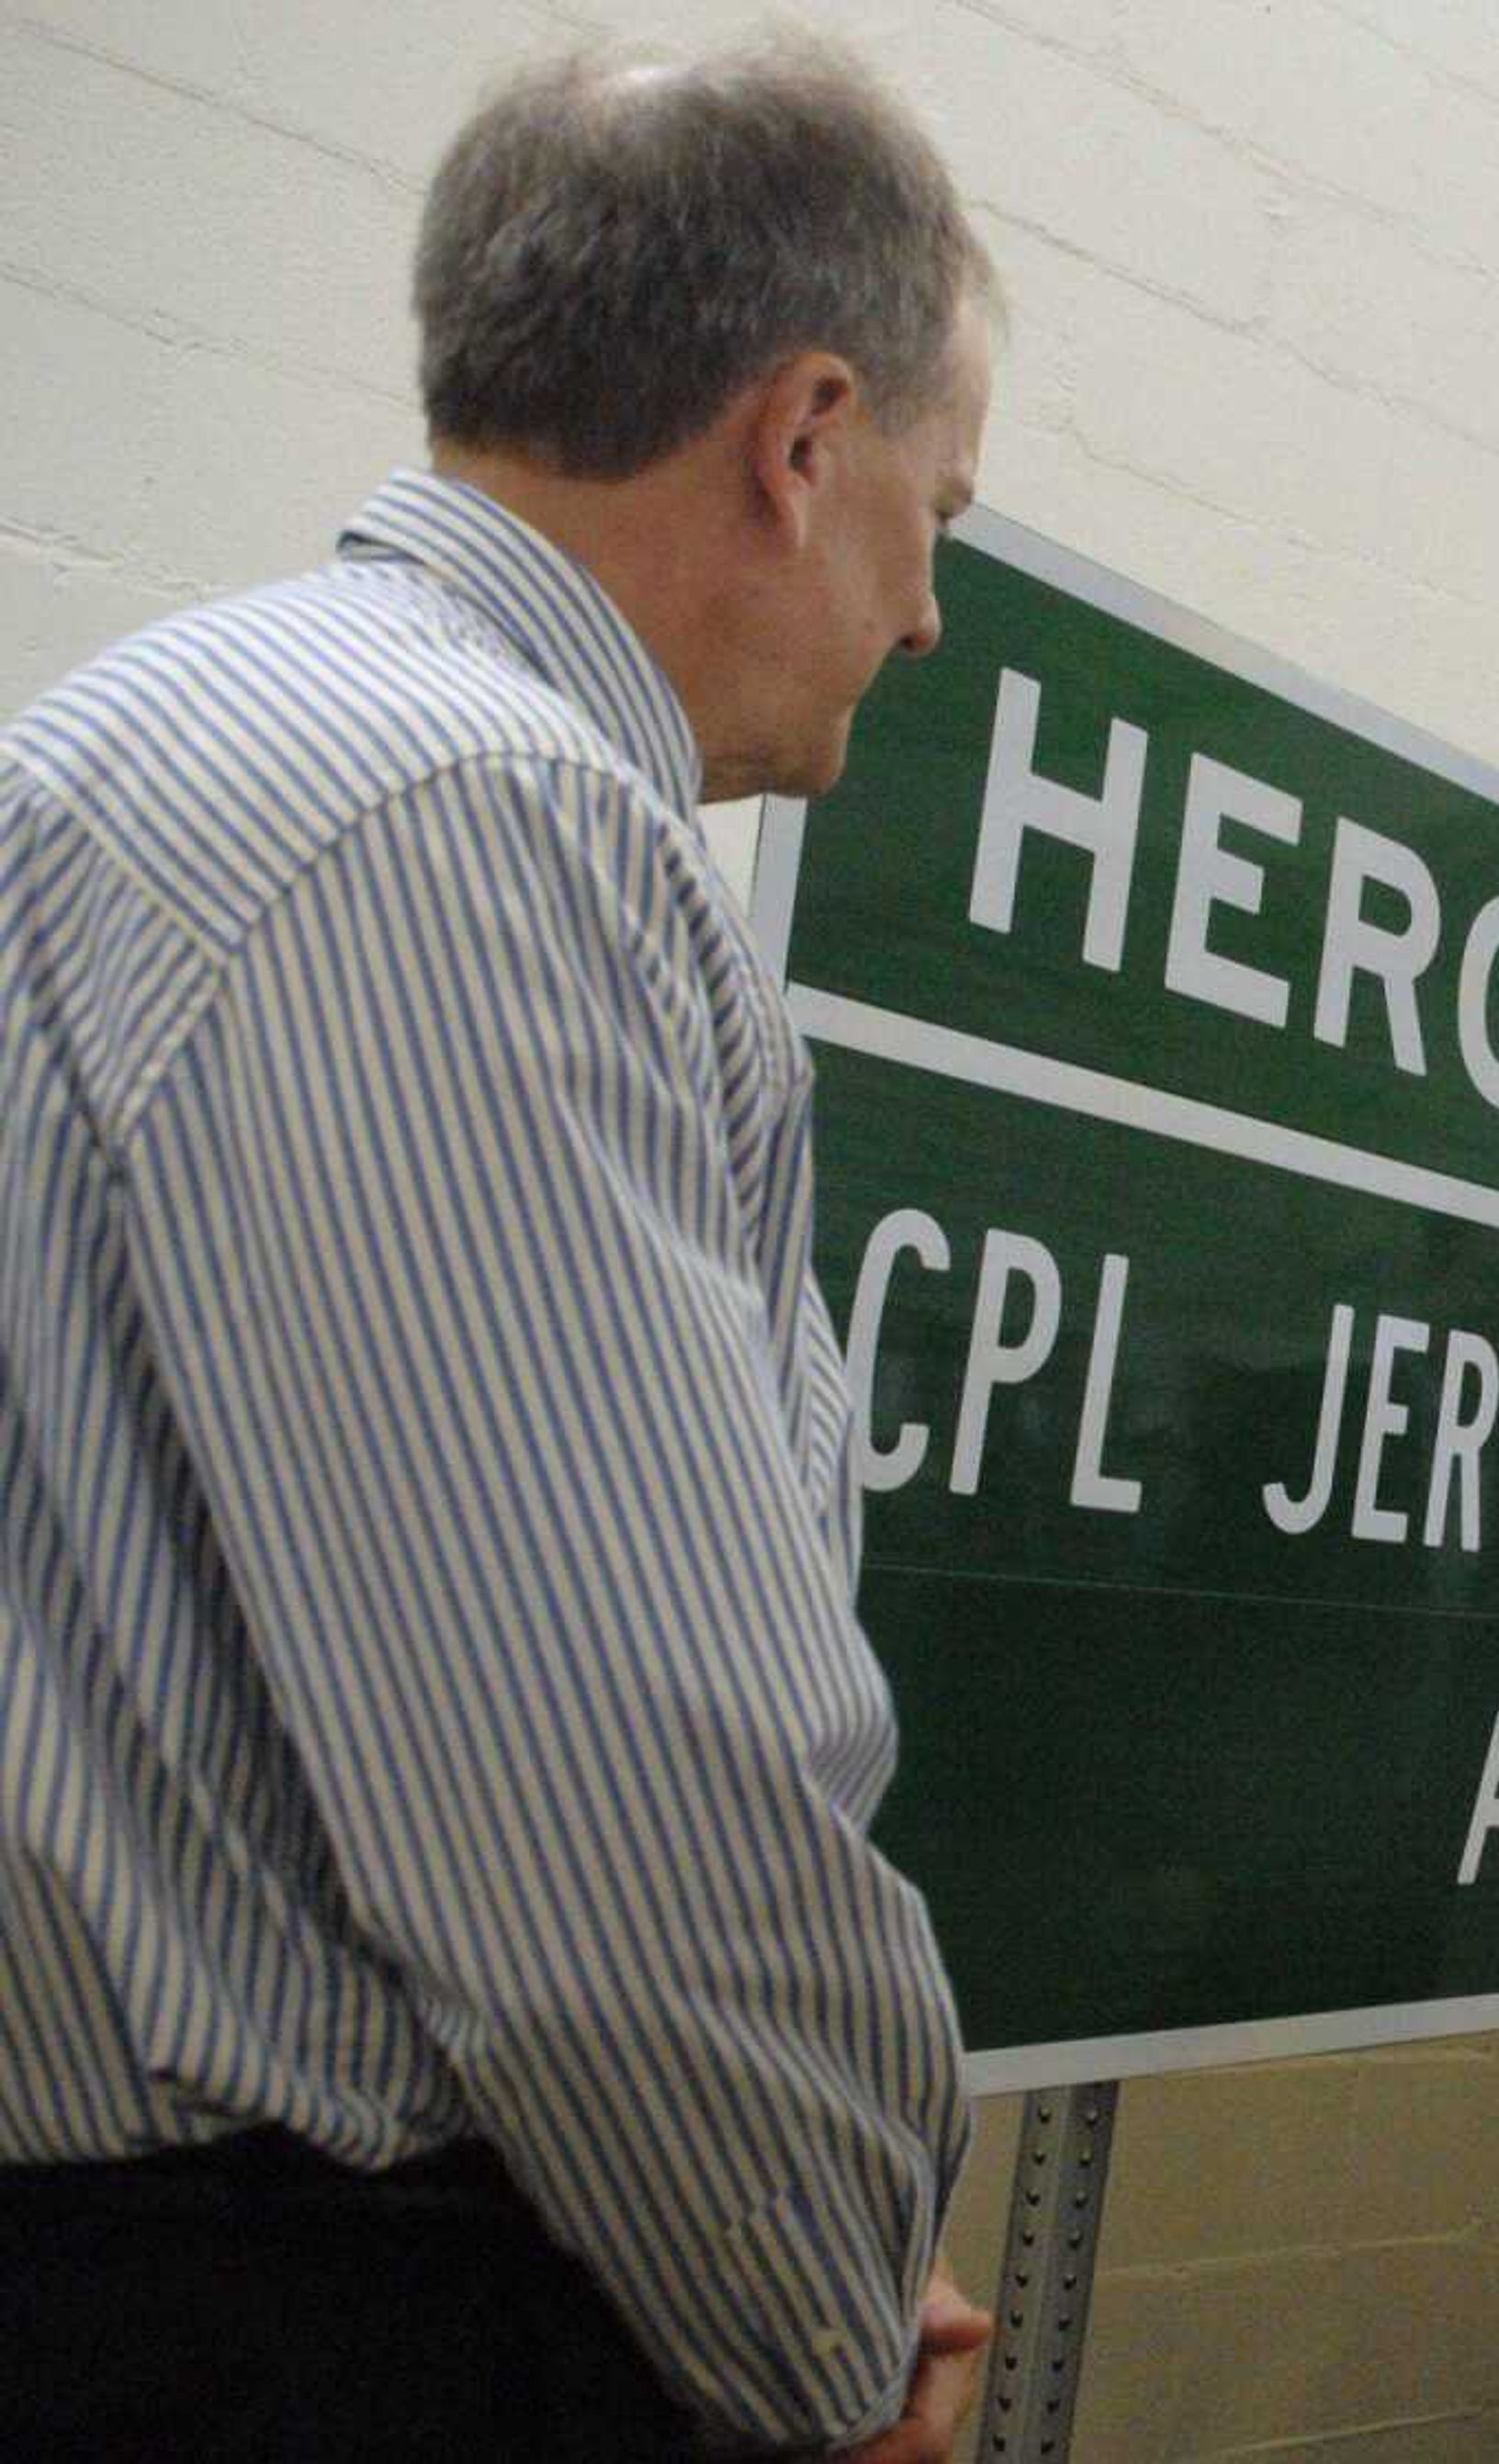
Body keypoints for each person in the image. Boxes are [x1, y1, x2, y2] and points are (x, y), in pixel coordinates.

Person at [0, 35, 998, 2460]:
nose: (929, 616)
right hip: (305, 2325)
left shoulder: (141, 740)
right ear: (801, 437)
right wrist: (827, 2323)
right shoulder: (479, 823)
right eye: (931, 513)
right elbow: (622, 1837)